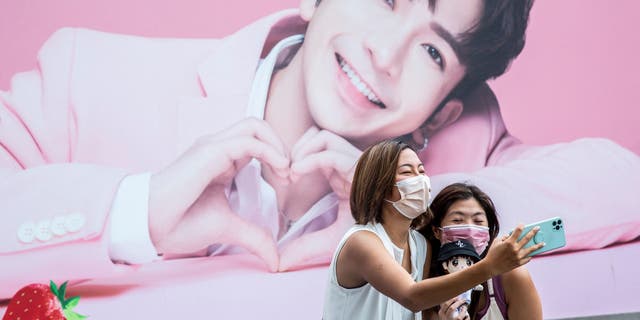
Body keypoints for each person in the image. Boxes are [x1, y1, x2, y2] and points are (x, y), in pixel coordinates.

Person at [1, 0, 639, 298]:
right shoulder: (87, 77)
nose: (384, 55)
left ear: (445, 107)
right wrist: (135, 212)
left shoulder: (461, 149)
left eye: (432, 50)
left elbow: (624, 186)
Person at [322, 140, 542, 319]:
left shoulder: (421, 245)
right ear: (379, 186)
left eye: (422, 171)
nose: (420, 180)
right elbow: (412, 297)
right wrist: (490, 267)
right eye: (407, 172)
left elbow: (423, 313)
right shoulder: (362, 241)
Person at [420, 183, 542, 320]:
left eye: (478, 221)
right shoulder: (424, 280)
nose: (470, 229)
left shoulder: (511, 277)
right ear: (436, 231)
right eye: (457, 220)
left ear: (489, 232)